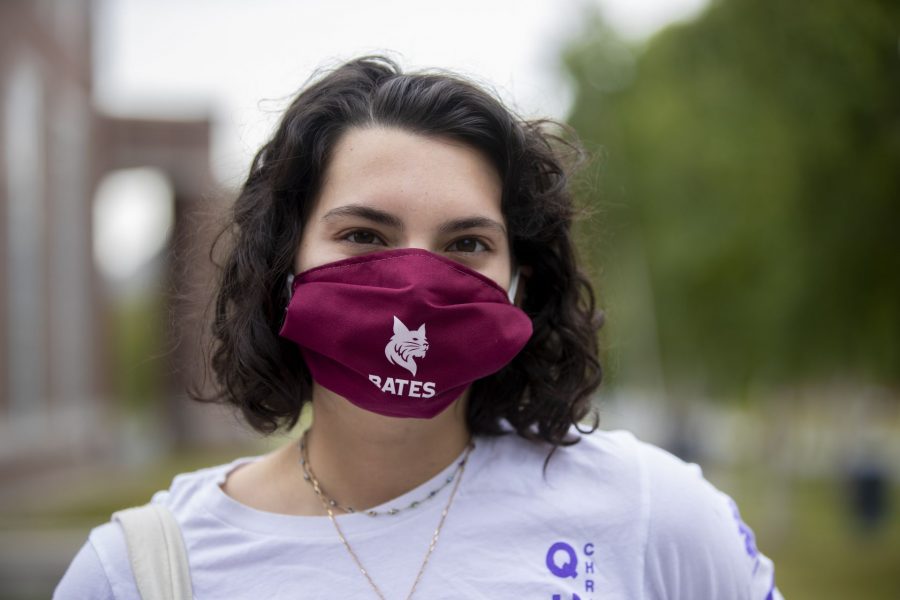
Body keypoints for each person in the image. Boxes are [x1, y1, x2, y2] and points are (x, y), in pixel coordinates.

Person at [55, 56, 782, 599]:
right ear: (285, 261)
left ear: (519, 284)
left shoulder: (651, 513)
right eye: (366, 235)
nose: (414, 286)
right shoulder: (139, 574)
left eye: (467, 244)